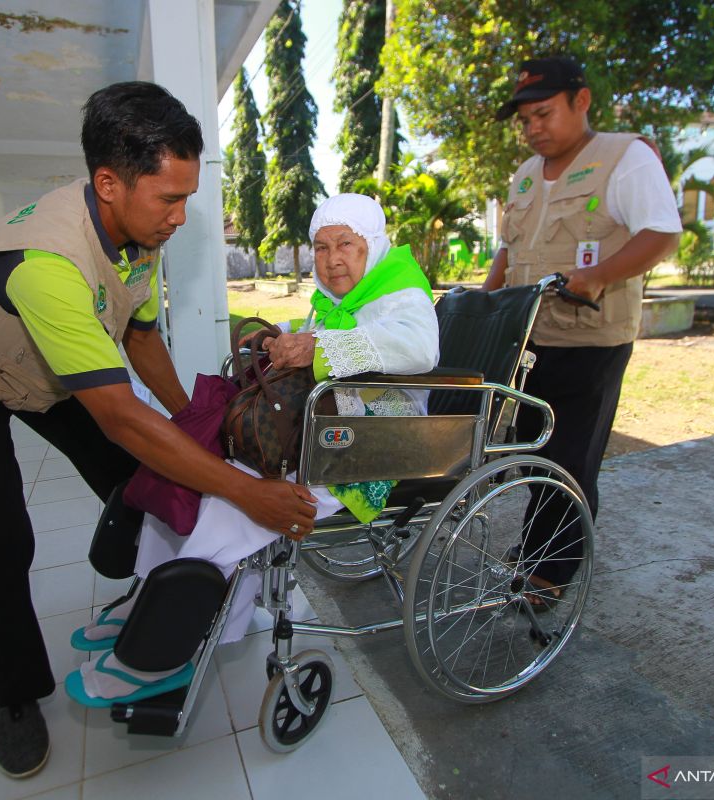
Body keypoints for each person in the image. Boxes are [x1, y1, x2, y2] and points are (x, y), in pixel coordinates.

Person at [0, 81, 316, 779]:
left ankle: (148, 605)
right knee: (2, 536)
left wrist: (201, 426)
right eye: (171, 199)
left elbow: (141, 340)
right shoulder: (45, 266)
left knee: (147, 480)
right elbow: (122, 417)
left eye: (187, 197)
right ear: (108, 183)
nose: (181, 217)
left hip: (46, 369)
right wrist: (247, 495)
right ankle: (12, 695)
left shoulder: (137, 235)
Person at [64, 193, 440, 706]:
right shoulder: (336, 299)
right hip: (321, 427)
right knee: (197, 476)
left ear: (372, 245)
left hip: (373, 441)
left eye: (346, 245)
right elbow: (314, 335)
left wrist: (317, 347)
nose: (331, 259)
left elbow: (419, 349)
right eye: (321, 247)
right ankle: (149, 600)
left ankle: (162, 648)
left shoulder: (400, 291)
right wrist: (280, 337)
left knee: (235, 502)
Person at [484, 57, 681, 605]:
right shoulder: (524, 174)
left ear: (582, 100)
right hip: (527, 342)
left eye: (543, 113)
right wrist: (484, 301)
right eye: (525, 119)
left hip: (591, 341)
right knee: (536, 456)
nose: (533, 128)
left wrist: (598, 276)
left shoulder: (625, 157)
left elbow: (662, 233)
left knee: (572, 460)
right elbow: (509, 250)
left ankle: (548, 577)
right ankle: (535, 548)